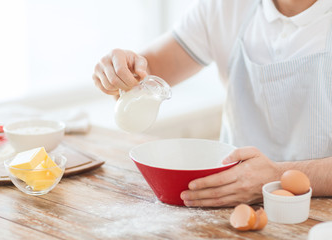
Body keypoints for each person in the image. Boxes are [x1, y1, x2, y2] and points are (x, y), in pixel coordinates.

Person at [92, 0, 332, 207]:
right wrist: (119, 70)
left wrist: (277, 177)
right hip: (225, 203)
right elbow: (145, 73)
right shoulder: (225, 7)